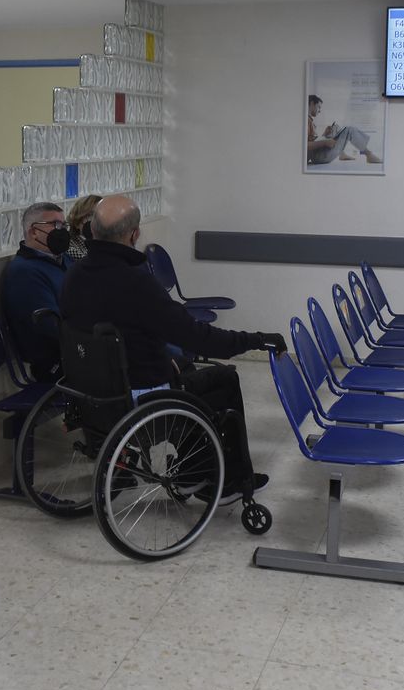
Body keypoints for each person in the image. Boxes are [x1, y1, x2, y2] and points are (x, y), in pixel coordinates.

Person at [59, 194, 286, 497]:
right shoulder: (135, 283)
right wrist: (255, 340)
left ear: (92, 231)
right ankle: (229, 480)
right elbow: (198, 337)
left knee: (185, 369)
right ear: (134, 234)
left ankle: (196, 469)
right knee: (222, 379)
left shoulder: (74, 276)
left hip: (90, 398)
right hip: (138, 399)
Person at [0, 201, 70, 381]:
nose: (61, 231)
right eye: (55, 225)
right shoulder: (24, 272)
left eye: (63, 225)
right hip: (54, 362)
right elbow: (49, 328)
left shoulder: (64, 260)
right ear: (33, 231)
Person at [306, 94, 381, 165]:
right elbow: (305, 145)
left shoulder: (309, 120)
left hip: (317, 155)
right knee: (349, 130)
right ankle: (368, 154)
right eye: (319, 107)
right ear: (312, 103)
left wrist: (325, 134)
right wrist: (325, 142)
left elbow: (312, 140)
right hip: (318, 157)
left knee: (335, 128)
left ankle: (342, 154)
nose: (320, 110)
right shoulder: (305, 121)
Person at [66, 193, 103, 261]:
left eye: (101, 214)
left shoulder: (110, 240)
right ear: (77, 221)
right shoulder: (69, 245)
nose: (97, 219)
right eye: (90, 215)